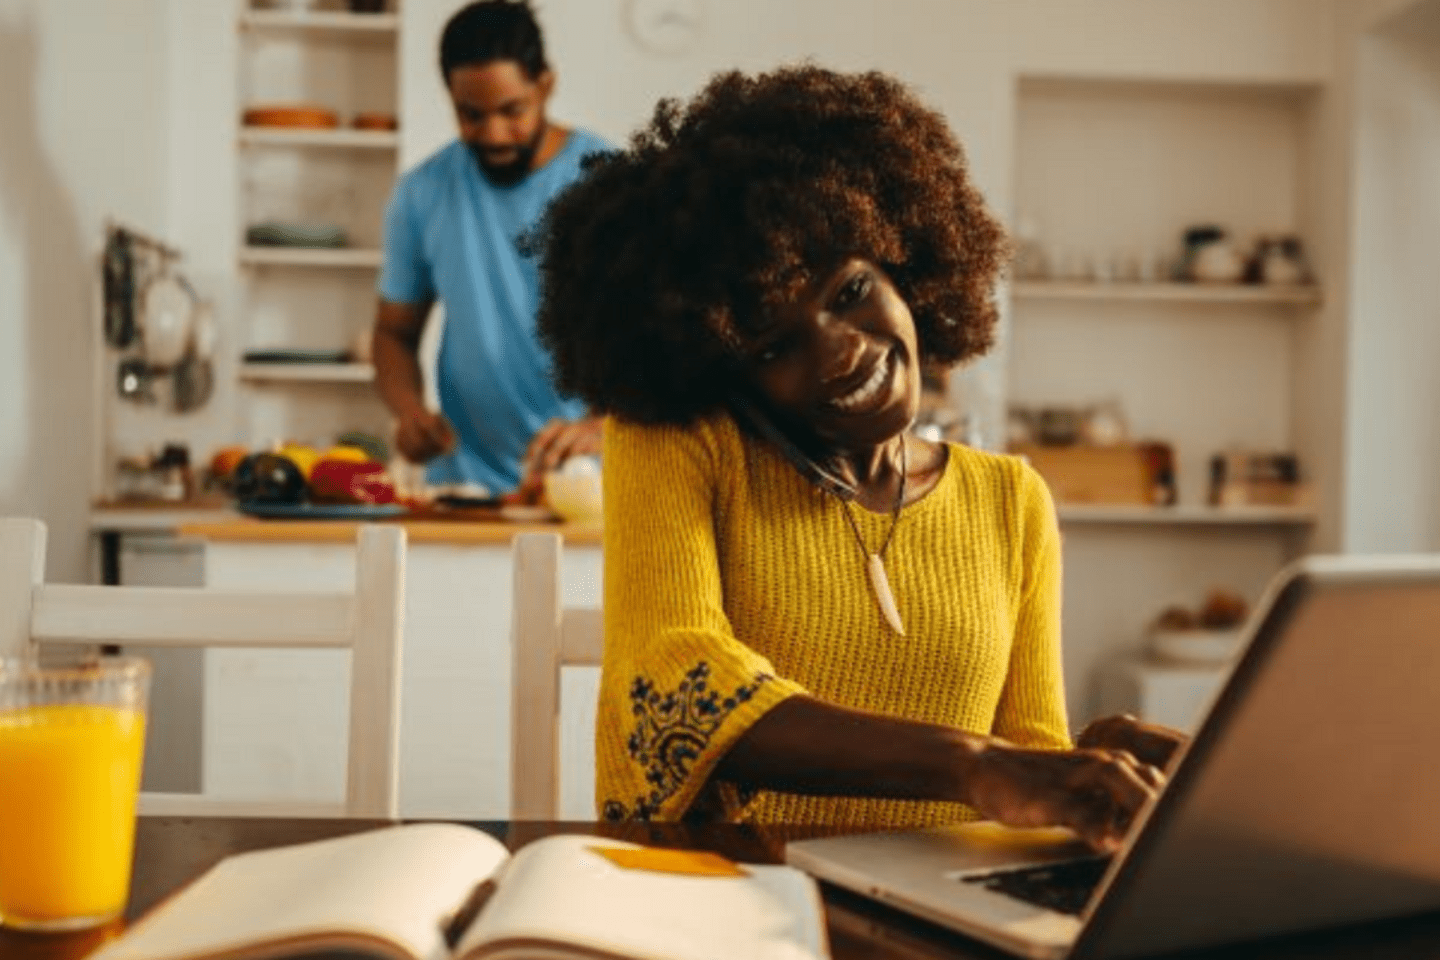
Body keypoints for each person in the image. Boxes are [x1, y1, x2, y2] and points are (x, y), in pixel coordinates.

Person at [535, 66, 1186, 849]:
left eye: (848, 292)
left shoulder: (1011, 499)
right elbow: (676, 680)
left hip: (938, 923)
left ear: (903, 263)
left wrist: (1091, 766)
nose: (842, 350)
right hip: (725, 904)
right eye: (775, 344)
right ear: (721, 369)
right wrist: (971, 763)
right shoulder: (676, 442)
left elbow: (1027, 763)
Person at [372, 0, 608, 497]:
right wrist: (410, 413)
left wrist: (605, 425)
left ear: (545, 85)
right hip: (465, 487)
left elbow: (667, 340)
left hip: (588, 488)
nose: (494, 133)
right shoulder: (421, 193)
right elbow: (394, 334)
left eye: (512, 111)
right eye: (471, 115)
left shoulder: (609, 182)